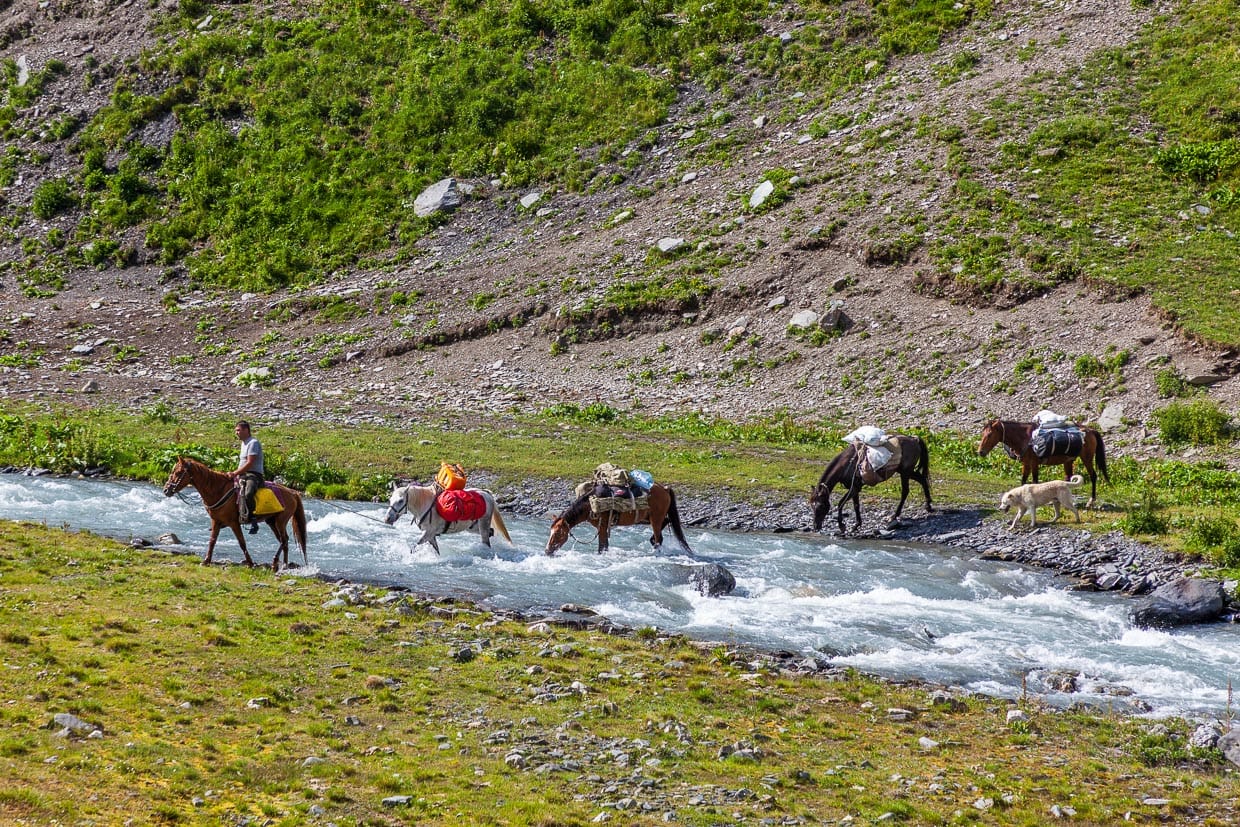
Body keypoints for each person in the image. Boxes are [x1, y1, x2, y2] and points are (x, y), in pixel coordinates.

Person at [228, 420, 265, 534]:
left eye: (238, 430)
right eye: (236, 431)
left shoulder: (253, 443)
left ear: (246, 430)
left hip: (254, 474)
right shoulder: (243, 443)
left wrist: (235, 473)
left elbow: (249, 463)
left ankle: (253, 518)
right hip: (243, 474)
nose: (237, 433)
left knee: (248, 492)